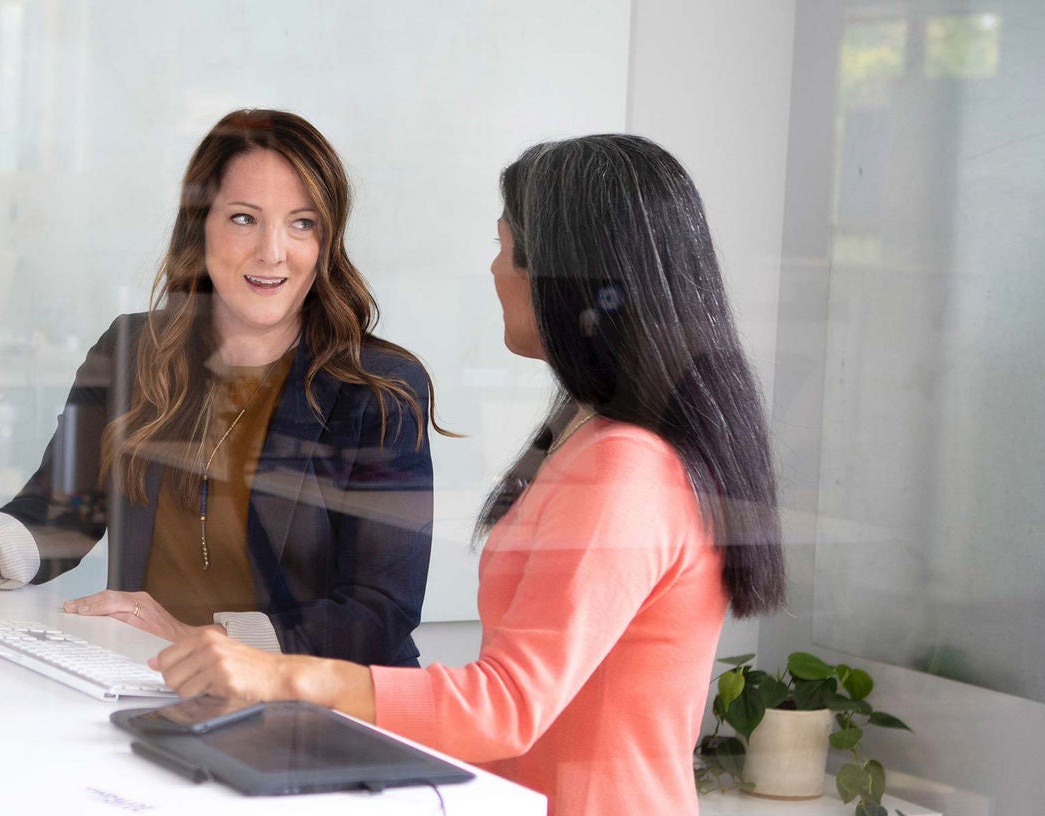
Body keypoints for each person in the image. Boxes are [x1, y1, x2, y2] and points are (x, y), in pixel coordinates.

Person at [147, 134, 788, 816]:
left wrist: (283, 675)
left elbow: (507, 704)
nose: (493, 268)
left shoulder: (626, 465)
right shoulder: (590, 432)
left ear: (568, 275)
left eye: (506, 246)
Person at [0, 109, 449, 666]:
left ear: (327, 239)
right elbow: (59, 518)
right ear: (199, 229)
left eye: (301, 224)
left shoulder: (378, 390)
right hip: (152, 678)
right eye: (243, 219)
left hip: (316, 713)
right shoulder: (131, 353)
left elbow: (378, 612)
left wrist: (202, 639)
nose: (273, 251)